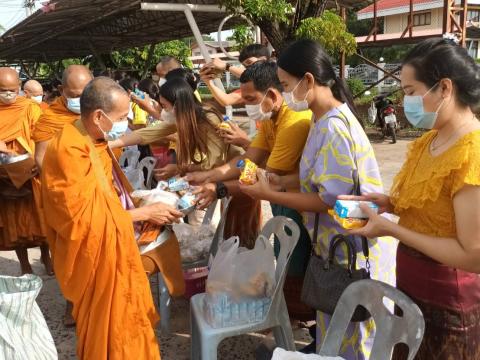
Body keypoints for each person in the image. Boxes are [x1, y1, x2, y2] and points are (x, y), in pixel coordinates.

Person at [237, 40, 397, 358]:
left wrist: (269, 192)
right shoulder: (320, 120)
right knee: (335, 334)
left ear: (308, 80)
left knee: (354, 340)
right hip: (336, 249)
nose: (283, 93)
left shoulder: (334, 127)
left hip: (353, 253)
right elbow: (321, 177)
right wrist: (284, 181)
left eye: (285, 85)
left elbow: (331, 201)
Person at [344, 38, 480, 360]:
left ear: (444, 88)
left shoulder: (471, 152)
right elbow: (433, 206)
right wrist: (390, 203)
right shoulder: (430, 141)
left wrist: (391, 229)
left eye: (409, 92)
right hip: (411, 291)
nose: (405, 102)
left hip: (449, 305)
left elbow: (472, 255)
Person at [41, 77, 182, 359]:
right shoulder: (70, 148)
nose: (126, 121)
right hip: (97, 252)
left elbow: (105, 193)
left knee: (128, 318)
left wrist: (139, 200)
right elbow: (81, 219)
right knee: (112, 324)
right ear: (99, 116)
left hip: (114, 237)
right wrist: (143, 213)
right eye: (121, 117)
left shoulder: (91, 137)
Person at [186, 61, 314, 320]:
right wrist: (212, 175)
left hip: (301, 203)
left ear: (273, 95)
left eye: (250, 99)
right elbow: (250, 159)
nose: (246, 106)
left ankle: (299, 321)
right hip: (281, 196)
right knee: (287, 261)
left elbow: (268, 177)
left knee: (299, 264)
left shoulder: (293, 121)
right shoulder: (271, 118)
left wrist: (221, 187)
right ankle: (291, 315)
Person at [0, 67, 51, 275]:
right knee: (14, 222)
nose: (9, 94)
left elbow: (44, 135)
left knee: (41, 218)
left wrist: (33, 158)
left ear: (19, 88)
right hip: (5, 176)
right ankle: (24, 264)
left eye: (12, 90)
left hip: (31, 171)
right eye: (3, 90)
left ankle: (46, 258)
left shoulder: (30, 107)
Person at [33, 65, 93, 168]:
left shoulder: (99, 109)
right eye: (75, 96)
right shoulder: (50, 119)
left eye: (86, 95)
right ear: (61, 90)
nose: (81, 100)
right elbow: (41, 158)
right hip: (63, 178)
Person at [200, 44, 271, 107]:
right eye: (245, 66)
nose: (247, 69)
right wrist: (208, 82)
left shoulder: (275, 76)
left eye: (249, 62)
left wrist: (226, 66)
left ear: (263, 60)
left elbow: (258, 76)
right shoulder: (252, 86)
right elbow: (226, 100)